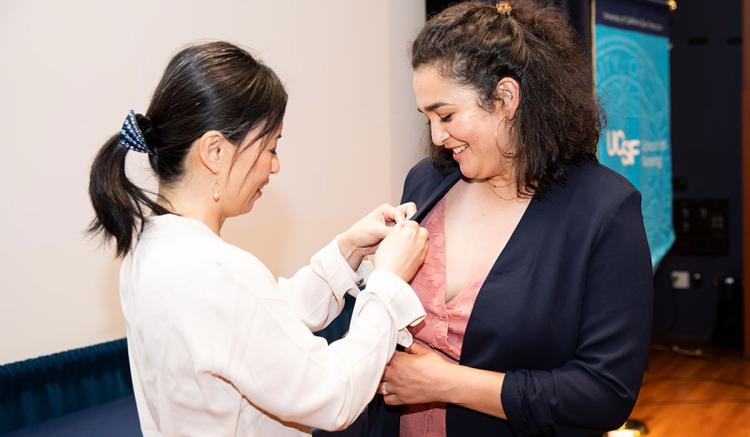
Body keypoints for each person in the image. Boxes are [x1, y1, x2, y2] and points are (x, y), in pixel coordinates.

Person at [87, 41, 430, 436]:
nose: (275, 165)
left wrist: (349, 248)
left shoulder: (150, 248)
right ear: (215, 151)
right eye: (270, 146)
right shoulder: (217, 271)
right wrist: (388, 283)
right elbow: (334, 395)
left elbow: (260, 326)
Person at [370, 1, 654, 436]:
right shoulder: (427, 183)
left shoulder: (603, 211)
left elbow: (604, 393)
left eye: (446, 115)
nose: (437, 137)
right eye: (427, 117)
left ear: (505, 98)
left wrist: (446, 383)